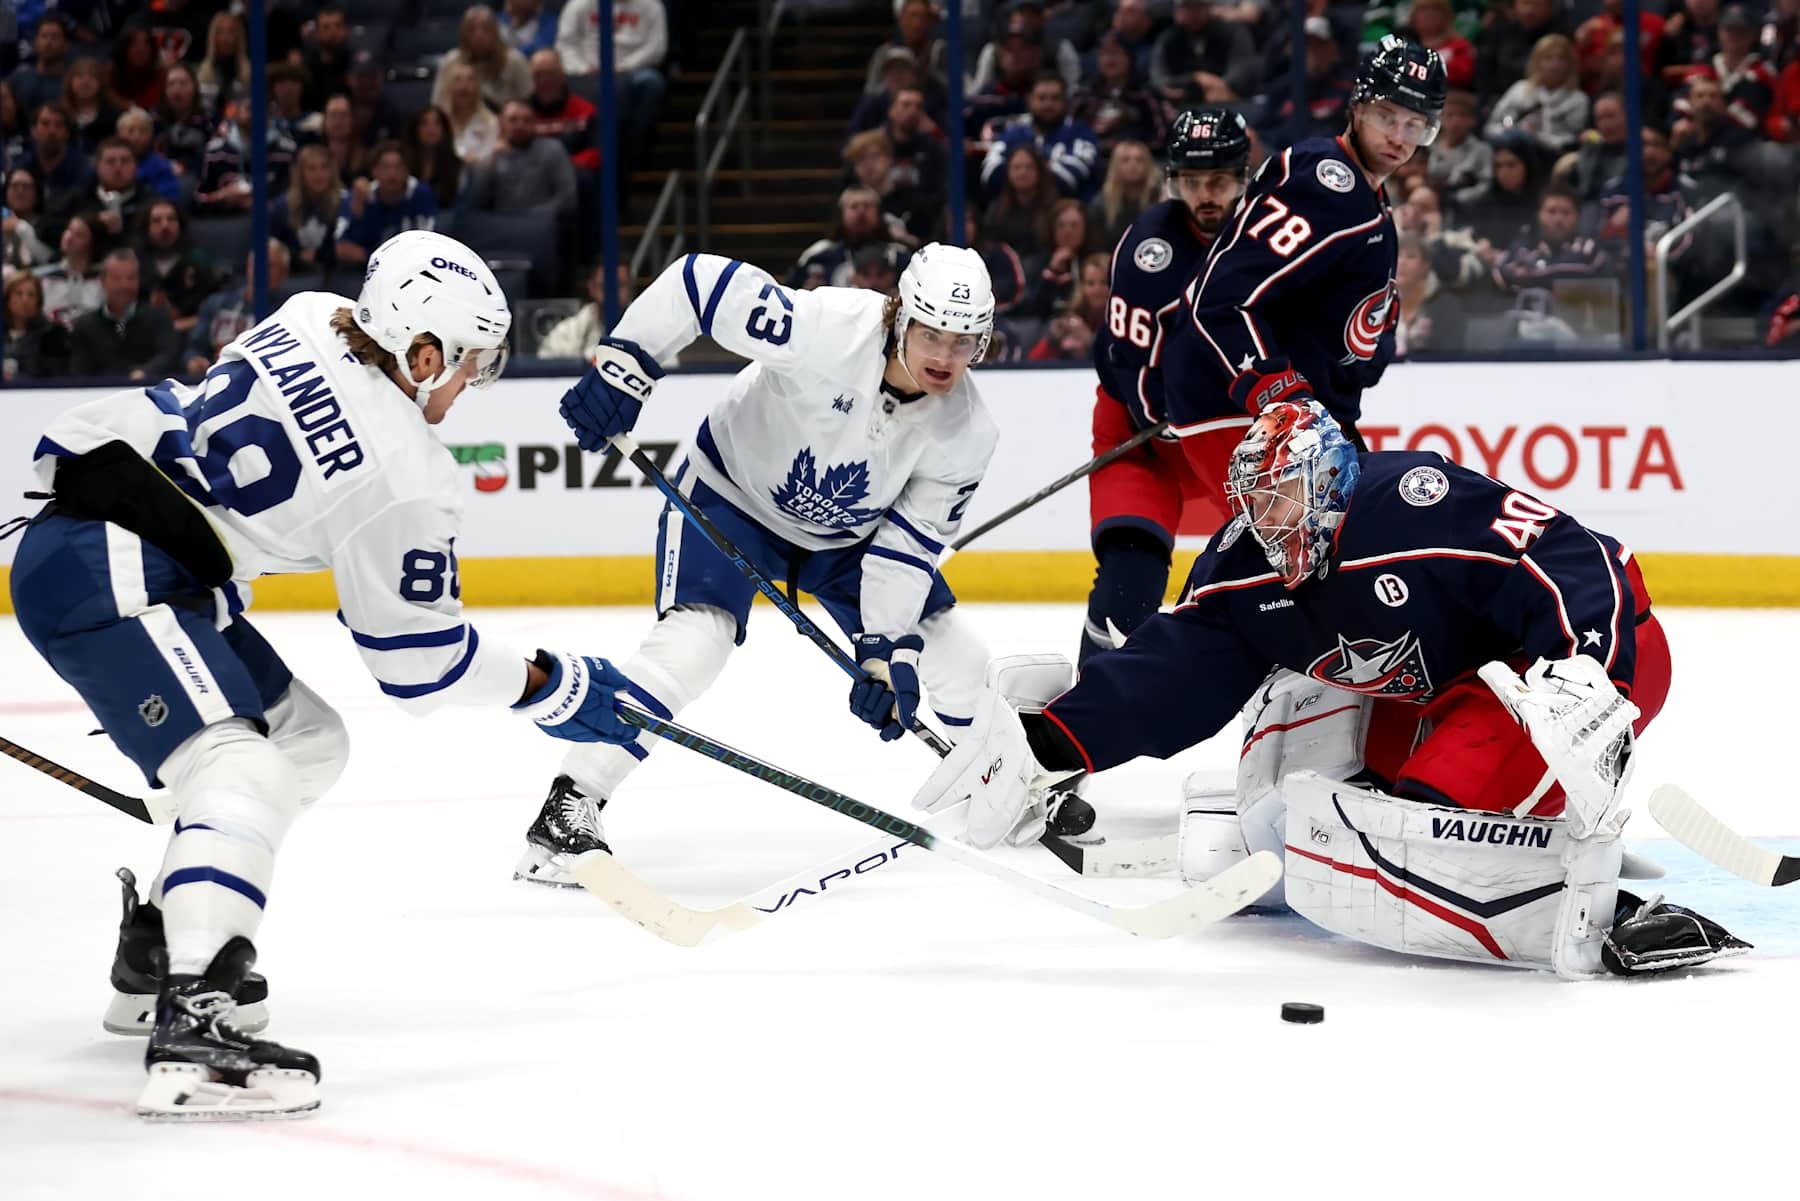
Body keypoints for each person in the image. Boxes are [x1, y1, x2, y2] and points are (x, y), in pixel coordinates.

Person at [10, 229, 634, 1120]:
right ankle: (196, 1013)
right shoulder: (405, 474)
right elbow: (418, 666)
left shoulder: (311, 315)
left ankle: (155, 950)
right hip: (116, 567)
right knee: (245, 767)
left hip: (118, 542)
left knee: (305, 740)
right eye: (472, 367)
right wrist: (551, 682)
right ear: (423, 354)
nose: (472, 390)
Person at [924, 401, 1748, 979]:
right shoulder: (1248, 562)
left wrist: (1585, 667)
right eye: (1253, 502)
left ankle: (1603, 900)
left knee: (1430, 818)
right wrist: (1046, 745)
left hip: (1575, 661)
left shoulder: (1410, 507)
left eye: (1281, 497)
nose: (1264, 520)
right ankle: (1481, 821)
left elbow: (1571, 554)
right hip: (1447, 686)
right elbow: (1173, 671)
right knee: (1337, 790)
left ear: (1328, 482)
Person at [513, 243, 1000, 886]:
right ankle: (573, 799)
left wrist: (885, 654)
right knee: (694, 644)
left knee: (958, 659)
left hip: (849, 540)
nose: (944, 356)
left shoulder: (968, 432)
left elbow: (905, 553)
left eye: (963, 341)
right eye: (931, 332)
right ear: (899, 315)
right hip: (731, 498)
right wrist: (626, 366)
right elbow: (698, 284)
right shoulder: (825, 329)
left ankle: (998, 785)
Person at [1160, 38, 1447, 518]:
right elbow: (1224, 299)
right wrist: (1277, 393)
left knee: (1341, 564)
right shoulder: (1327, 182)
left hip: (1304, 417)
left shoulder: (1367, 199)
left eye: (1415, 124)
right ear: (1356, 106)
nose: (1399, 136)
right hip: (1248, 411)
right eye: (1386, 116)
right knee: (1301, 573)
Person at [1079, 107, 1250, 666]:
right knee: (1127, 589)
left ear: (1243, 177)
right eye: (1194, 181)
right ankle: (1086, 715)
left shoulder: (1269, 242)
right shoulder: (1149, 250)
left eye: (1220, 180)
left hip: (1235, 440)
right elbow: (1127, 366)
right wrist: (1168, 407)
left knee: (1283, 573)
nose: (1206, 195)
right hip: (1144, 435)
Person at [67, 249, 182, 379]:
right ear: (102, 282)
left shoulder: (159, 319)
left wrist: (144, 373)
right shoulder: (84, 326)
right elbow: (80, 373)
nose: (124, 285)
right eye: (117, 278)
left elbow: (168, 356)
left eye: (131, 278)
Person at [186, 241, 293, 376]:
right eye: (256, 264)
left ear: (284, 273)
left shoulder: (287, 314)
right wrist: (194, 362)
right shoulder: (216, 303)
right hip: (211, 379)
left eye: (269, 265)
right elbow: (194, 348)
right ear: (248, 267)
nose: (260, 270)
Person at [333, 142, 439, 269]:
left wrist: (369, 256)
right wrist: (358, 212)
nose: (392, 173)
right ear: (374, 171)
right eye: (385, 167)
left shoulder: (421, 194)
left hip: (412, 269)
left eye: (398, 167)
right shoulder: (358, 196)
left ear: (407, 170)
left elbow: (428, 245)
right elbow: (341, 247)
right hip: (366, 271)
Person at [136, 198, 216, 333]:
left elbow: (213, 311)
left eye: (171, 219)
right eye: (156, 221)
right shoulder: (135, 263)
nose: (165, 226)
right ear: (146, 228)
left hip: (189, 333)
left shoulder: (197, 262)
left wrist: (176, 326)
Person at [4, 270, 72, 378]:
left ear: (38, 302)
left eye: (31, 295)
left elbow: (56, 376)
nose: (25, 300)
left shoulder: (53, 334)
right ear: (7, 299)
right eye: (18, 294)